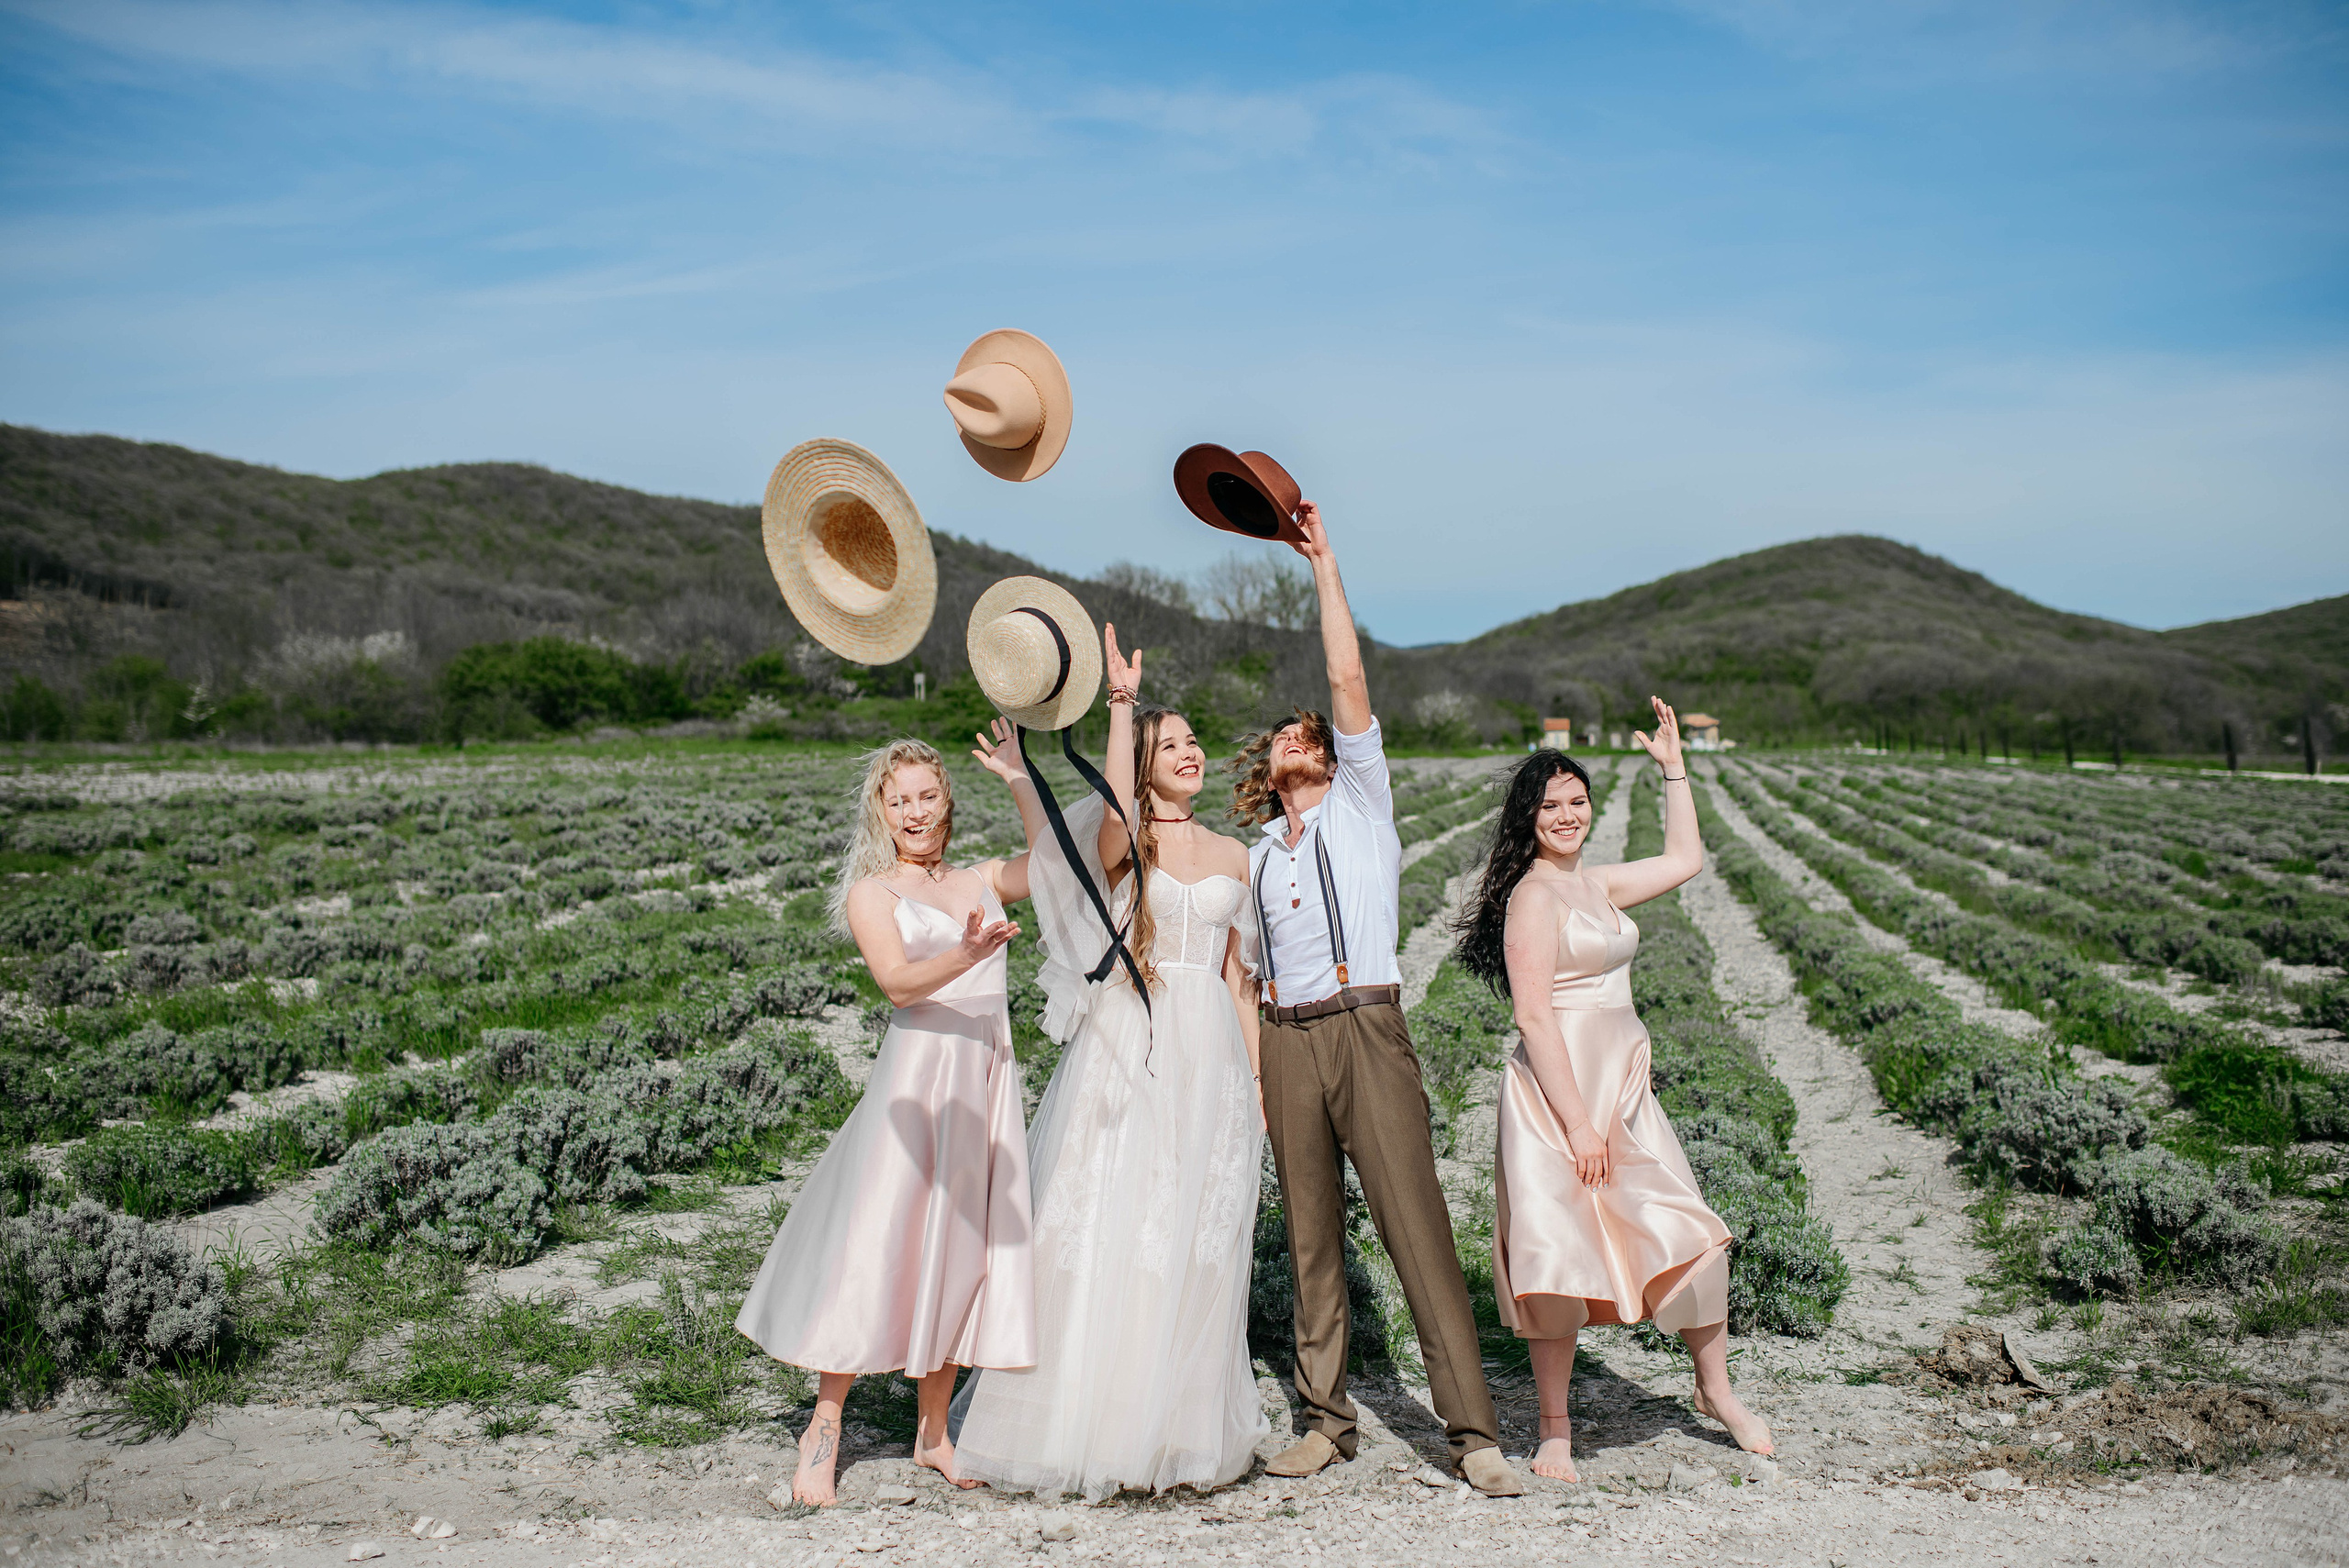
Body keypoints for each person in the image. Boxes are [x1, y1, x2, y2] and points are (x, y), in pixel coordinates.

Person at [1234, 504, 1524, 1498]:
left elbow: (1348, 677)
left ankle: (1473, 1431)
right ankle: (1324, 1419)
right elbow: (1240, 968)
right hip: (1285, 1035)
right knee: (1311, 1236)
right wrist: (1257, 1060)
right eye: (1283, 737)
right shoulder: (1256, 854)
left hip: (1364, 1022)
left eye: (1307, 731)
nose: (1296, 739)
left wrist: (1323, 565)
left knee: (1412, 1222)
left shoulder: (1362, 802)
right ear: (1268, 770)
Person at [950, 678, 1271, 1499]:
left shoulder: (1237, 856)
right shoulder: (1127, 845)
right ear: (1143, 770)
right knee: (1118, 1222)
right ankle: (1091, 1425)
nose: (1192, 752)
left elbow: (1241, 982)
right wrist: (1123, 705)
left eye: (1194, 741)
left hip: (1215, 1060)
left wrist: (1259, 1082)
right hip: (1138, 1045)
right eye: (1172, 745)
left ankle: (1182, 1430)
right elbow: (1084, 841)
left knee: (1201, 1229)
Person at [1452, 703, 1774, 1482]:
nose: (1567, 815)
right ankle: (1556, 1427)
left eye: (1577, 802)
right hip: (1559, 1097)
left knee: (1688, 1228)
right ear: (1528, 818)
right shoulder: (1533, 897)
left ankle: (1715, 1389)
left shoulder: (1595, 884)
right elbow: (1534, 1014)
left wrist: (1673, 768)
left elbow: (1685, 858)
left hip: (1622, 1088)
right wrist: (1579, 1127)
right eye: (1551, 805)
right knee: (1558, 1254)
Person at [735, 739, 1036, 1506]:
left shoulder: (980, 878)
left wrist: (1020, 780)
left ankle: (932, 1431)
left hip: (984, 1078)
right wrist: (968, 952)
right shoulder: (873, 892)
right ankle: (824, 1428)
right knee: (879, 1240)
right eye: (897, 799)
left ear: (947, 799)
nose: (913, 812)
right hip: (917, 1084)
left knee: (963, 1248)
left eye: (925, 796)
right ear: (882, 809)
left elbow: (1060, 866)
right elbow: (901, 986)